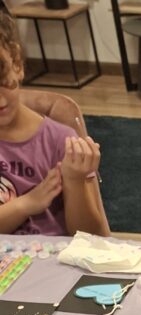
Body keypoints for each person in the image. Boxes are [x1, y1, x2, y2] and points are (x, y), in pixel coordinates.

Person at [0, 12, 107, 237]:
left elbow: (92, 237)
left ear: (17, 64)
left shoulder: (60, 140)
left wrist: (75, 180)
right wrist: (26, 204)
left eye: (2, 78)